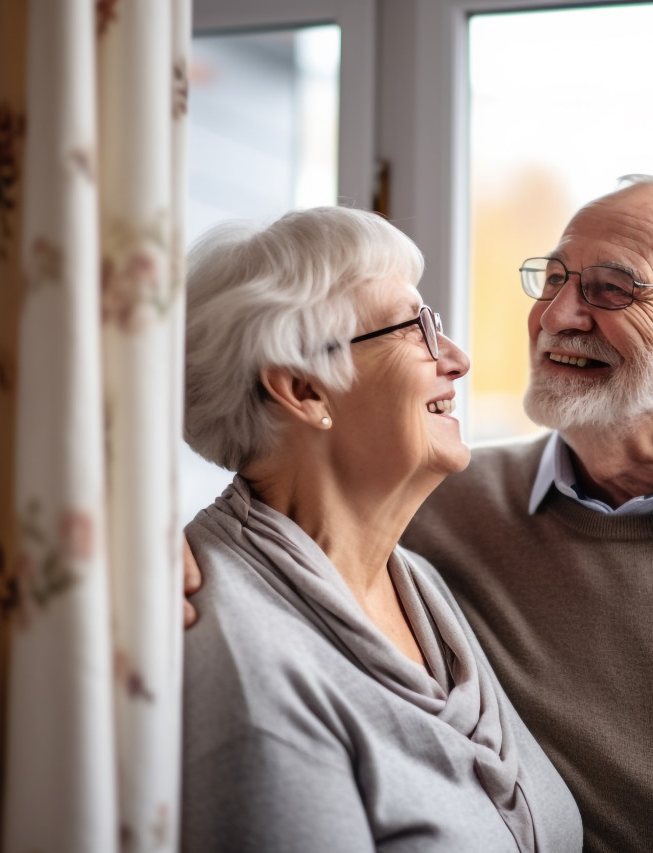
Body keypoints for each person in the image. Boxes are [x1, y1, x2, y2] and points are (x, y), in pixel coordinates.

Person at [185, 177, 653, 851]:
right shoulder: (440, 506)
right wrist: (134, 549)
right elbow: (276, 519)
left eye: (612, 288)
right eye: (553, 278)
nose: (556, 314)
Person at [179, 206, 581, 851]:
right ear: (304, 389)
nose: (457, 358)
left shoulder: (415, 583)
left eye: (439, 325)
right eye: (416, 328)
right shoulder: (239, 656)